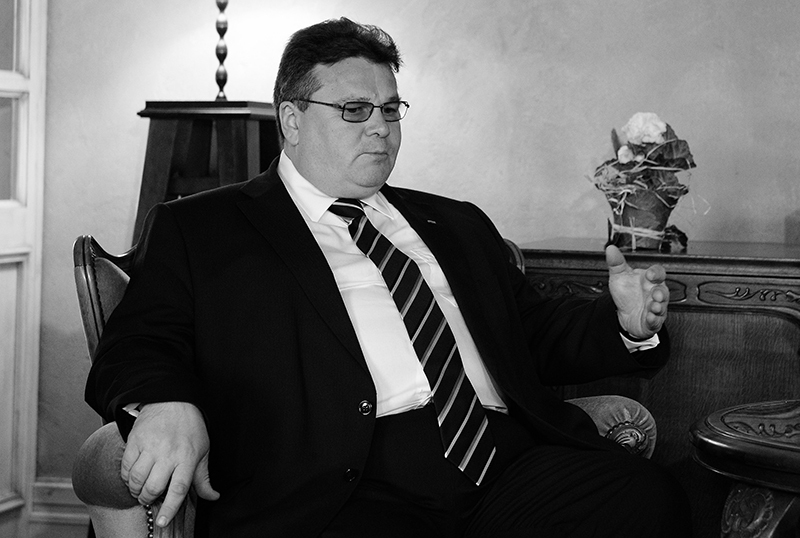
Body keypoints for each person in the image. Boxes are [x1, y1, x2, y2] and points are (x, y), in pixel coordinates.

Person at [86, 17, 691, 537]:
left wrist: (624, 324)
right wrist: (165, 403)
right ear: (291, 119)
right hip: (340, 486)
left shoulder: (455, 223)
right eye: (355, 110)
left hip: (505, 462)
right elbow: (137, 341)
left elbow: (532, 333)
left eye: (390, 109)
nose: (380, 126)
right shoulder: (203, 229)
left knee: (646, 496)